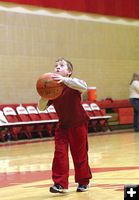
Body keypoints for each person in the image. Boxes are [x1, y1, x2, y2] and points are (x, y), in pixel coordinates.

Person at [38, 58, 92, 193]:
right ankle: (60, 184)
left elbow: (84, 86)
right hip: (63, 126)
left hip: (78, 123)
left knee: (79, 154)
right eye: (55, 65)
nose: (57, 67)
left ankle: (83, 182)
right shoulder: (53, 88)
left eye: (61, 66)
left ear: (69, 72)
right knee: (59, 154)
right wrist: (44, 96)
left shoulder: (73, 84)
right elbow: (41, 108)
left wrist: (65, 81)